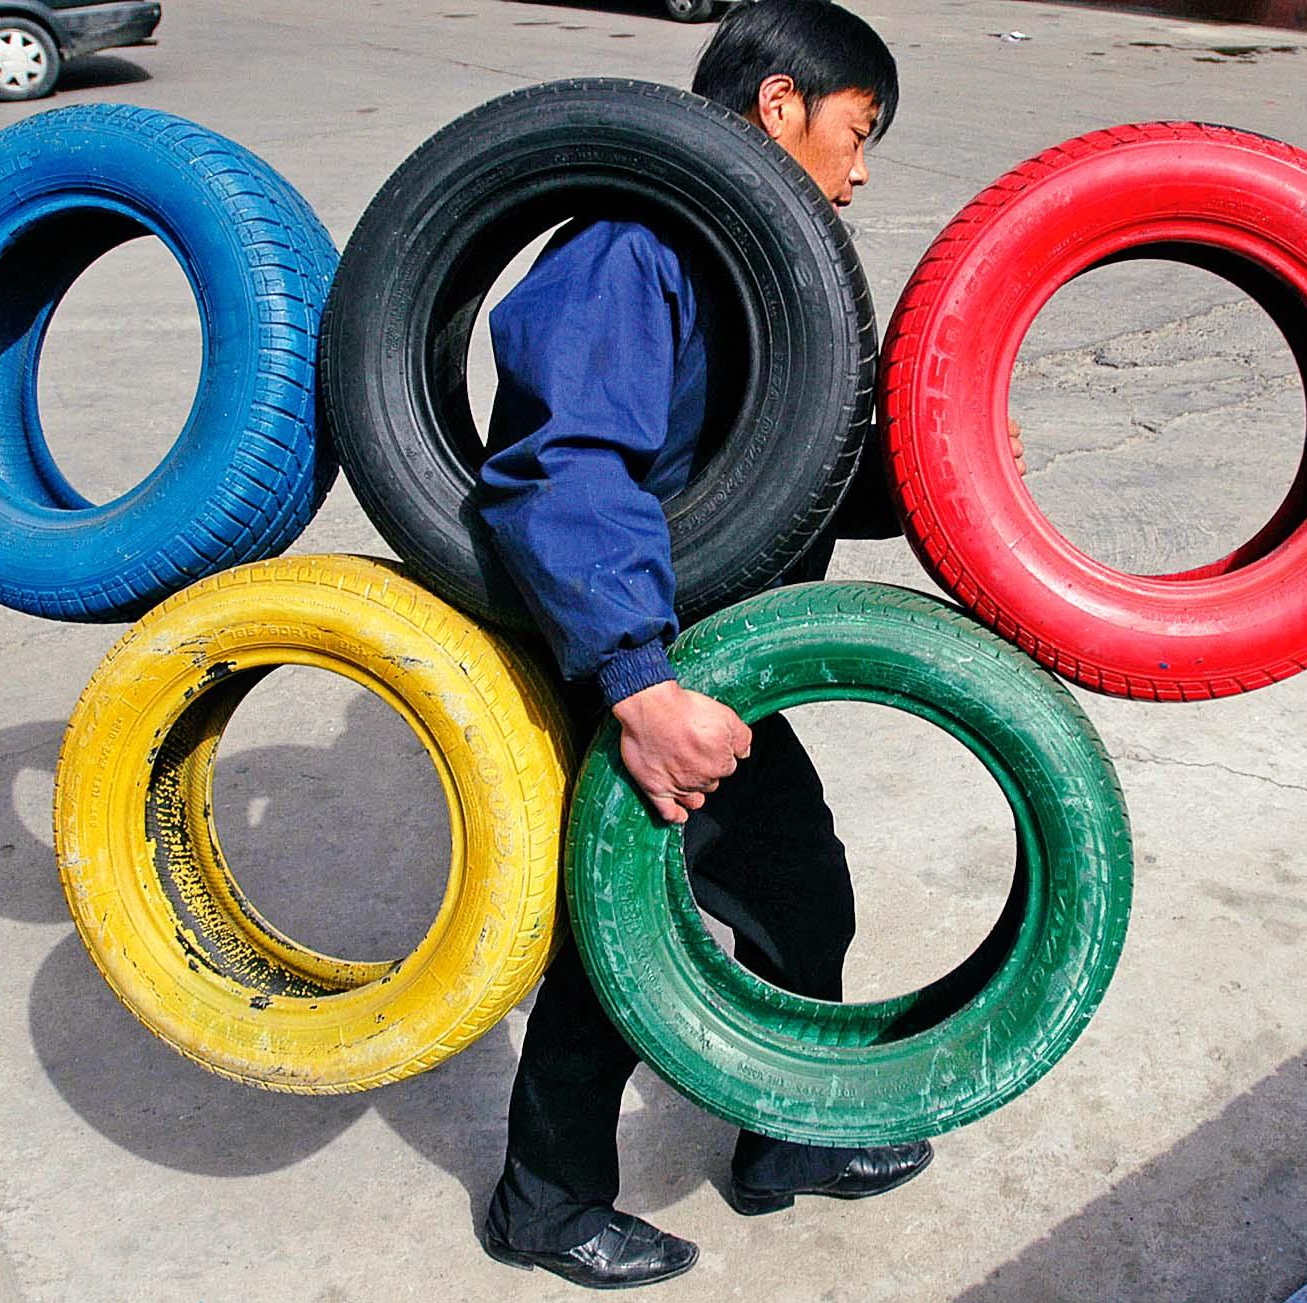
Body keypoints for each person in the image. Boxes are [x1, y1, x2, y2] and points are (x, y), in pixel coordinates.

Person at [473, 2, 1017, 1289]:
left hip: (713, 652)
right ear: (780, 106)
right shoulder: (632, 244)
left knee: (798, 895)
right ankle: (545, 1203)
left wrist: (954, 477)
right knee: (622, 936)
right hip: (633, 651)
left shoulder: (766, 266)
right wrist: (638, 683)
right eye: (856, 131)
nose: (861, 170)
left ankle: (785, 1137)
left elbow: (797, 462)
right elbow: (562, 468)